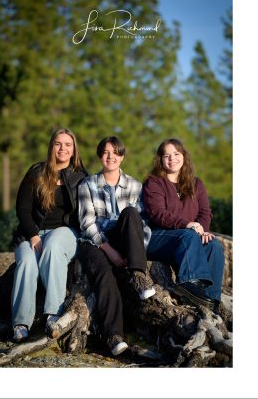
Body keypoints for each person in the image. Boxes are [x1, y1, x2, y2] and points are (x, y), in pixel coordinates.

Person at [77, 136, 155, 356]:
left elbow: (143, 225)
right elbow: (86, 223)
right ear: (100, 155)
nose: (110, 156)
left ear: (122, 156)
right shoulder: (88, 184)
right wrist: (108, 249)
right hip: (95, 241)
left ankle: (139, 275)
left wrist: (133, 252)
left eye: (115, 152)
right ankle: (114, 336)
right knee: (104, 273)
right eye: (106, 152)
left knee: (131, 212)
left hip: (123, 236)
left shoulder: (134, 185)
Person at [10, 128, 88, 343]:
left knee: (53, 246)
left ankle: (53, 313)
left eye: (68, 145)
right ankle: (20, 323)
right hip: (33, 232)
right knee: (26, 261)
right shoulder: (36, 172)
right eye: (58, 144)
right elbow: (22, 209)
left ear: (74, 150)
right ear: (51, 147)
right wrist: (33, 236)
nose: (62, 148)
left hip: (66, 233)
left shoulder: (81, 176)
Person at [142, 138, 224, 313]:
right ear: (160, 160)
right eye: (167, 155)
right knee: (187, 235)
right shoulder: (154, 183)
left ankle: (210, 302)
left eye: (176, 154)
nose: (172, 158)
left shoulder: (196, 184)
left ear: (184, 156)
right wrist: (188, 225)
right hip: (159, 238)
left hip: (188, 238)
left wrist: (201, 229)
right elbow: (158, 213)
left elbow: (205, 212)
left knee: (213, 246)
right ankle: (189, 285)